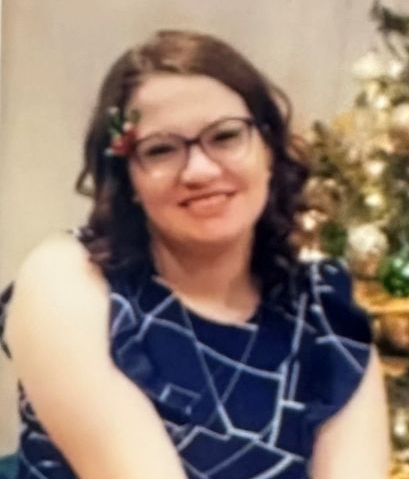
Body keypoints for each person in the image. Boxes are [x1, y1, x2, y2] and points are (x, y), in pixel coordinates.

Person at [0, 30, 389, 479]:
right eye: (161, 150)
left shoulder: (325, 313)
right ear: (128, 178)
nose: (200, 170)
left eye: (225, 136)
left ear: (268, 149)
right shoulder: (68, 278)